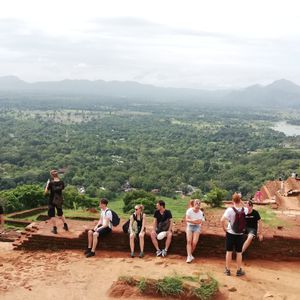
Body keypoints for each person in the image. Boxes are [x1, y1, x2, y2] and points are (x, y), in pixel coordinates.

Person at [221, 193, 248, 276]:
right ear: (240, 200)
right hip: (240, 234)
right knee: (239, 252)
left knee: (229, 252)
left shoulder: (230, 210)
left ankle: (228, 270)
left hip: (230, 233)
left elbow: (222, 220)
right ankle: (239, 270)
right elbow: (246, 206)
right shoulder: (245, 210)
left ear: (232, 200)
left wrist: (224, 228)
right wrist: (240, 200)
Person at [44, 169, 68, 234]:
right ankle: (65, 225)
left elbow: (45, 192)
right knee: (60, 213)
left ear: (52, 175)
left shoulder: (51, 183)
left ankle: (55, 229)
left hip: (52, 200)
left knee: (52, 215)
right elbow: (62, 190)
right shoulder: (62, 182)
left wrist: (47, 184)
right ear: (57, 175)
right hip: (59, 200)